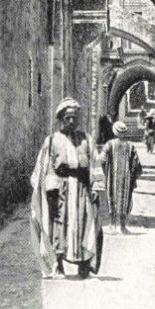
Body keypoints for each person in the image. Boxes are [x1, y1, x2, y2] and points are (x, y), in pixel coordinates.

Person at [30, 97, 103, 279]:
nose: (71, 121)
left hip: (81, 190)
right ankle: (58, 265)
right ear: (61, 118)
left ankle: (83, 265)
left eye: (75, 118)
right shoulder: (52, 140)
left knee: (84, 224)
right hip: (60, 190)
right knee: (58, 226)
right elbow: (45, 166)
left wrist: (95, 186)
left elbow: (94, 163)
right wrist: (50, 188)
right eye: (68, 117)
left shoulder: (87, 139)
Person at [101, 121, 142, 234]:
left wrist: (105, 171)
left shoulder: (110, 144)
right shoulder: (130, 146)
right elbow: (137, 164)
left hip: (112, 177)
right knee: (125, 200)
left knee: (112, 199)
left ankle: (112, 225)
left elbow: (102, 159)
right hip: (126, 179)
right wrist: (133, 177)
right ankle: (123, 227)